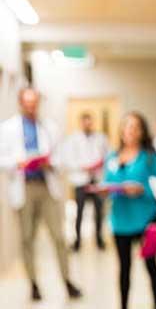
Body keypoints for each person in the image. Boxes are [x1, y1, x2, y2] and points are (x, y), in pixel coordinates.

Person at [0, 88, 82, 301]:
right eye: (27, 103)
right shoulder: (7, 128)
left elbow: (60, 157)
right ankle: (34, 284)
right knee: (27, 238)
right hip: (23, 186)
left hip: (46, 185)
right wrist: (19, 162)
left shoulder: (50, 127)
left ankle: (66, 280)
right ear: (20, 103)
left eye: (34, 102)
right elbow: (2, 159)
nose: (31, 106)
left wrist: (49, 162)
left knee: (59, 236)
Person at [102, 112, 156, 309]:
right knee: (124, 268)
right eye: (127, 126)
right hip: (120, 220)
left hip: (145, 219)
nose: (130, 131)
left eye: (135, 127)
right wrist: (107, 191)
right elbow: (108, 184)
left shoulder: (149, 157)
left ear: (142, 131)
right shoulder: (112, 157)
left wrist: (142, 190)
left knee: (151, 265)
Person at [62, 112, 110, 251]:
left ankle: (99, 240)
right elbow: (69, 160)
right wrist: (84, 166)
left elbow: (108, 156)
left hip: (97, 180)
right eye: (85, 122)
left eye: (90, 121)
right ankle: (77, 241)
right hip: (80, 179)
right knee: (79, 212)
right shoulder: (73, 139)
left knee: (99, 212)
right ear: (81, 122)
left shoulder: (101, 138)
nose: (87, 124)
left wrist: (98, 165)